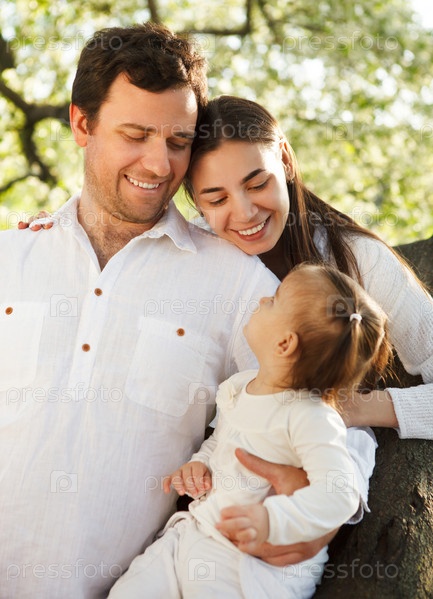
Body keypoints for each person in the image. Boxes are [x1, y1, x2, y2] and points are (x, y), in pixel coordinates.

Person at [0, 24, 285, 598]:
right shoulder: (10, 256)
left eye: (179, 141)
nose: (159, 165)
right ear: (82, 125)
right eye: (136, 135)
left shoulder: (236, 283)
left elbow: (297, 410)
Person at [108, 263, 392, 599]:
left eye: (273, 300)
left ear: (284, 344)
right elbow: (223, 442)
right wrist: (200, 464)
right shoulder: (243, 386)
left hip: (249, 565)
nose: (261, 301)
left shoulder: (311, 417)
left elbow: (339, 493)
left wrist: (272, 519)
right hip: (197, 530)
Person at [182, 95, 433, 440]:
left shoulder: (360, 259)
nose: (245, 213)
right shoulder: (189, 265)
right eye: (217, 199)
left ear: (285, 160)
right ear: (196, 201)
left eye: (257, 185)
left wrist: (357, 408)